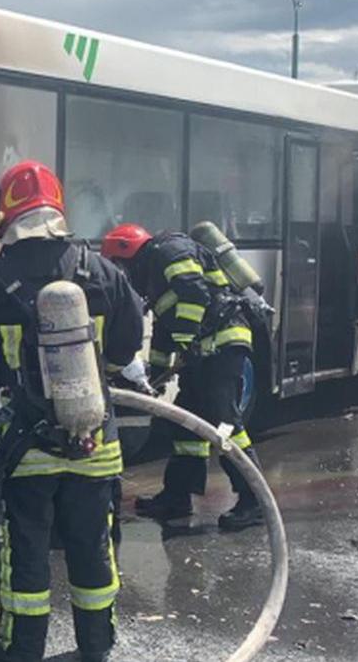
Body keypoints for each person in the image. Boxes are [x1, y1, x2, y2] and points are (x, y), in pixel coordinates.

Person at [0, 161, 145, 662]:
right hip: (94, 444)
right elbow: (128, 338)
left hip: (23, 451)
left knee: (25, 556)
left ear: (5, 218)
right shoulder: (101, 270)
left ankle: (20, 650)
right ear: (57, 210)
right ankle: (97, 645)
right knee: (93, 550)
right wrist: (102, 378)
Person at [100, 222, 264, 531]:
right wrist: (154, 378)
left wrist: (186, 339)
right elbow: (165, 328)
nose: (120, 273)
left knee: (224, 424)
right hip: (204, 350)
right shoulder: (151, 274)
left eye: (118, 265)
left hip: (224, 345)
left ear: (125, 252)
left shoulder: (169, 252)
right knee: (188, 423)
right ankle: (176, 497)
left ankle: (253, 501)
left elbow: (195, 294)